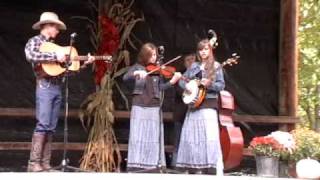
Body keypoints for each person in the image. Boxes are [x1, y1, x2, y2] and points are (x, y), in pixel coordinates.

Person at [24, 12, 94, 172]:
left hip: (56, 87)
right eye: (56, 27)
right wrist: (55, 55)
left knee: (51, 126)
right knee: (43, 124)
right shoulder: (35, 42)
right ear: (48, 26)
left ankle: (45, 163)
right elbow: (31, 55)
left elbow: (62, 71)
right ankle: (34, 162)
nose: (58, 31)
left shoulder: (54, 45)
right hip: (44, 86)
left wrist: (82, 64)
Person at [123, 42, 181, 170]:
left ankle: (151, 164)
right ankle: (136, 164)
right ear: (145, 55)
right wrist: (136, 73)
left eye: (155, 54)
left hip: (154, 105)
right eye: (151, 55)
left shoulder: (157, 70)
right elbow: (125, 78)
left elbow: (160, 87)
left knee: (152, 136)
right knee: (138, 135)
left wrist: (171, 82)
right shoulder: (137, 67)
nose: (154, 57)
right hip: (139, 104)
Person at [176, 39, 225, 175]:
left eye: (206, 49)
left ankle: (208, 166)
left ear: (210, 50)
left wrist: (210, 84)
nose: (203, 52)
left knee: (207, 137)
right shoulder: (194, 66)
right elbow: (182, 80)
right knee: (192, 138)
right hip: (194, 106)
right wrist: (187, 86)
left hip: (208, 105)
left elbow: (221, 85)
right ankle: (194, 166)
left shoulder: (216, 66)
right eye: (201, 49)